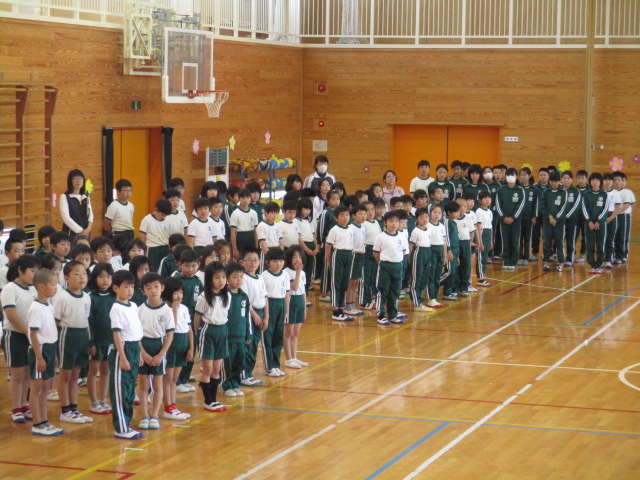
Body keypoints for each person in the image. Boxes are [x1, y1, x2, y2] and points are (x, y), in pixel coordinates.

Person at [53, 260, 93, 425]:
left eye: (84, 273)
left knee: (75, 376)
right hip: (67, 336)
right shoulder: (62, 297)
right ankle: (65, 411)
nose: (82, 277)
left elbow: (87, 320)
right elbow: (55, 323)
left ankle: (74, 408)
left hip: (82, 336)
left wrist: (90, 342)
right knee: (65, 374)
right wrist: (54, 347)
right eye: (77, 274)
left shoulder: (87, 297)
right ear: (67, 278)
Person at [1, 254, 39, 423]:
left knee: (27, 373)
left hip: (29, 336)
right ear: (20, 270)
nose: (34, 275)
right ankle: (16, 408)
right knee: (17, 374)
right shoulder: (10, 288)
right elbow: (11, 315)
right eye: (32, 271)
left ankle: (24, 405)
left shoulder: (33, 290)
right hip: (14, 336)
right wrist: (27, 332)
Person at [28, 268, 64, 436]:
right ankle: (37, 423)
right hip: (40, 349)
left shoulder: (48, 305)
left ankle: (44, 421)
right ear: (41, 287)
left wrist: (54, 354)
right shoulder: (36, 308)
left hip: (49, 348)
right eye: (53, 284)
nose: (56, 288)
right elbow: (33, 334)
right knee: (37, 389)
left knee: (44, 389)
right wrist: (39, 357)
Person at [109, 269, 144, 439]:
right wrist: (122, 357)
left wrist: (140, 353)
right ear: (116, 288)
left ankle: (127, 424)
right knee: (120, 390)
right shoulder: (116, 308)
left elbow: (136, 332)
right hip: (122, 349)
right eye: (125, 287)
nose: (129, 290)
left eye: (131, 287)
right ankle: (121, 428)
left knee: (130, 389)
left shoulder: (133, 306)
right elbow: (117, 334)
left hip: (134, 348)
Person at [137, 273, 174, 430]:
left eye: (156, 287)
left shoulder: (167, 310)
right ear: (143, 291)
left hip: (159, 346)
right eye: (148, 288)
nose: (153, 290)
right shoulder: (139, 309)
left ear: (162, 288)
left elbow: (170, 335)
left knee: (158, 384)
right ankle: (145, 415)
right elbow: (136, 335)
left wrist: (160, 355)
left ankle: (154, 415)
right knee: (144, 383)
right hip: (143, 346)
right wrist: (143, 353)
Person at [194, 261, 230, 412]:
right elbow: (197, 318)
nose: (221, 280)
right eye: (217, 277)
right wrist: (195, 336)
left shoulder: (227, 296)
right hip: (208, 331)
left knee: (216, 369)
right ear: (209, 279)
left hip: (222, 330)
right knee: (207, 369)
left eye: (223, 277)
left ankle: (214, 400)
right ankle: (208, 401)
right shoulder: (203, 297)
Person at [161, 277, 192, 420]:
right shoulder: (165, 309)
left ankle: (173, 406)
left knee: (174, 379)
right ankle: (168, 407)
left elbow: (189, 329)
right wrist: (174, 309)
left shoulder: (184, 308)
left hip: (182, 343)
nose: (179, 296)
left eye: (181, 292)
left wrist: (191, 348)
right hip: (171, 344)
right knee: (167, 379)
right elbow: (171, 327)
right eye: (175, 293)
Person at [87, 263, 116, 415]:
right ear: (95, 278)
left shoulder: (114, 297)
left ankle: (103, 400)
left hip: (110, 341)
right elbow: (89, 322)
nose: (105, 280)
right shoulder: (91, 297)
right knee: (93, 371)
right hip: (96, 341)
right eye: (101, 276)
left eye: (108, 277)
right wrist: (91, 342)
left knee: (106, 371)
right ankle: (94, 402)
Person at [220, 262, 251, 396]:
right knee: (228, 363)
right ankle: (225, 385)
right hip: (228, 336)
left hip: (240, 336)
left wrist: (248, 334)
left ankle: (235, 384)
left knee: (239, 362)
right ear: (227, 278)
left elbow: (247, 316)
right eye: (235, 277)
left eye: (241, 277)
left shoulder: (244, 296)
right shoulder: (223, 295)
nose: (239, 280)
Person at [174, 248, 202, 392]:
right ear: (180, 265)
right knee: (181, 350)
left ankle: (185, 378)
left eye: (193, 266)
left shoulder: (198, 281)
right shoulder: (177, 281)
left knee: (192, 349)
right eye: (187, 266)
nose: (190, 269)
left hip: (193, 318)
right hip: (181, 320)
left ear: (198, 265)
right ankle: (177, 380)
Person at [239, 246, 268, 387]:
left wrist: (266, 317)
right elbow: (245, 300)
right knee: (248, 345)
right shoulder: (243, 279)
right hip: (249, 314)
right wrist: (255, 315)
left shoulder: (260, 278)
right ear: (242, 262)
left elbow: (265, 297)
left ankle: (249, 373)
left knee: (254, 345)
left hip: (260, 312)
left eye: (255, 260)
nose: (253, 263)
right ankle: (244, 374)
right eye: (249, 260)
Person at [373, 210, 407, 325]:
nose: (394, 224)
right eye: (391, 221)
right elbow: (376, 253)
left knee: (395, 291)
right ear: (385, 223)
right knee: (383, 290)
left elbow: (403, 251)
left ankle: (393, 315)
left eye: (396, 221)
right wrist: (384, 261)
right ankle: (381, 315)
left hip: (398, 266)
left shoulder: (401, 236)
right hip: (385, 266)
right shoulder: (381, 237)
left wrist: (397, 261)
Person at [261, 248, 290, 377]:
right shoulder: (264, 276)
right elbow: (264, 296)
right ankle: (269, 367)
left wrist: (287, 310)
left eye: (281, 261)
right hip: (269, 304)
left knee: (278, 337)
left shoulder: (285, 275)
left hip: (281, 304)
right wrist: (266, 315)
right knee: (268, 336)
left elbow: (287, 294)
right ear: (268, 262)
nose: (278, 264)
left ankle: (276, 365)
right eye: (275, 261)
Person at [325, 205, 355, 321]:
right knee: (336, 283)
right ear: (336, 218)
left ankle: (341, 309)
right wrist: (329, 262)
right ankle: (335, 311)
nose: (345, 217)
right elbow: (328, 247)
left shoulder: (351, 229)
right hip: (338, 254)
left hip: (349, 254)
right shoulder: (334, 230)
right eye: (342, 215)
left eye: (347, 215)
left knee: (344, 283)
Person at [495, 168, 525, 271]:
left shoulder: (520, 190)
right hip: (503, 221)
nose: (510, 177)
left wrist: (513, 217)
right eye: (508, 175)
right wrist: (503, 217)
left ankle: (513, 261)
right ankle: (506, 261)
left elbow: (521, 205)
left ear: (516, 176)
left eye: (512, 175)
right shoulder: (501, 190)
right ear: (506, 177)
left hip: (516, 221)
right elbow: (498, 205)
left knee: (515, 240)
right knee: (505, 241)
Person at [283, 246, 308, 369]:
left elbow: (303, 291)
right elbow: (294, 287)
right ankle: (288, 359)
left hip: (300, 302)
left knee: (296, 333)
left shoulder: (303, 273)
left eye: (300, 257)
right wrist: (298, 272)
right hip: (291, 302)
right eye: (294, 257)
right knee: (289, 333)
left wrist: (305, 308)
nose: (298, 259)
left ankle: (294, 357)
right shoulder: (286, 272)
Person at [581, 173, 610, 274]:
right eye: (593, 180)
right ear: (590, 182)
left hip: (600, 224)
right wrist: (589, 221)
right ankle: (592, 264)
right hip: (589, 224)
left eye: (597, 180)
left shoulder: (604, 194)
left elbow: (605, 209)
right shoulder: (586, 194)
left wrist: (598, 221)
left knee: (600, 244)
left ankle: (599, 263)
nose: (595, 182)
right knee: (590, 244)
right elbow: (584, 208)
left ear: (600, 182)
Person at [540, 170, 568, 272]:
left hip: (559, 222)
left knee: (559, 242)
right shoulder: (545, 192)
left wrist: (556, 219)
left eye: (555, 181)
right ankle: (546, 261)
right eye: (552, 181)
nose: (553, 183)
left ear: (559, 181)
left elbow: (564, 207)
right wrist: (550, 217)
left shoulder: (564, 192)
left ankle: (561, 262)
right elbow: (542, 206)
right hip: (547, 221)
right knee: (547, 241)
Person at [316, 190, 340, 300]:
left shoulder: (339, 213)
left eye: (338, 199)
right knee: (326, 267)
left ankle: (330, 291)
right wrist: (320, 243)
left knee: (333, 267)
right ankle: (324, 293)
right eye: (333, 199)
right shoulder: (326, 212)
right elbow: (320, 229)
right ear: (328, 200)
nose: (336, 201)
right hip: (327, 242)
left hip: (337, 243)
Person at [408, 207, 432, 312]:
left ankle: (419, 299)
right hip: (419, 252)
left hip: (428, 251)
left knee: (424, 277)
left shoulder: (429, 230)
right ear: (417, 219)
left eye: (426, 217)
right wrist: (410, 257)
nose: (425, 219)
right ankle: (416, 303)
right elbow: (411, 245)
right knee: (416, 277)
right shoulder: (416, 231)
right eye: (421, 218)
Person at [139, 198, 172, 272]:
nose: (164, 217)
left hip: (165, 247)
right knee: (153, 270)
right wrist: (143, 251)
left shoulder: (168, 220)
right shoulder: (147, 220)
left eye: (165, 215)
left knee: (165, 270)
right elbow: (142, 237)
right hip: (153, 249)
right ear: (156, 209)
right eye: (162, 214)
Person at [345, 204, 367, 316]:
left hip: (361, 255)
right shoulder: (351, 228)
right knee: (351, 282)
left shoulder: (363, 227)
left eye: (364, 213)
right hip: (353, 255)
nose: (363, 216)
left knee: (356, 282)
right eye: (360, 214)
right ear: (353, 215)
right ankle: (348, 306)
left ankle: (353, 305)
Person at [294, 198, 318, 297]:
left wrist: (316, 247)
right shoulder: (296, 221)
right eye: (305, 208)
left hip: (311, 247)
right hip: (303, 248)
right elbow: (299, 238)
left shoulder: (308, 220)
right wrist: (307, 250)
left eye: (309, 209)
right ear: (300, 208)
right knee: (301, 272)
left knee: (309, 272)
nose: (308, 211)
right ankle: (300, 293)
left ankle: (306, 294)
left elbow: (313, 235)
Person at [60, 169, 93, 238]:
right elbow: (66, 217)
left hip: (86, 233)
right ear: (70, 180)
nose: (78, 181)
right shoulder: (64, 196)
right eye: (75, 178)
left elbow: (90, 214)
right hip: (71, 234)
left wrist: (88, 228)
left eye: (80, 178)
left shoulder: (86, 196)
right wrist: (81, 231)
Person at [426, 206, 448, 308]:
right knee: (431, 274)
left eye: (439, 213)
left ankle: (435, 295)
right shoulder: (427, 226)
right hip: (431, 249)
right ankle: (431, 298)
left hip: (440, 250)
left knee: (437, 275)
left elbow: (444, 241)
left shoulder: (442, 226)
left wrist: (445, 255)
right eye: (434, 212)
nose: (437, 214)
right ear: (430, 213)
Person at [230, 188, 259, 260]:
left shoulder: (253, 213)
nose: (245, 200)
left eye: (248, 197)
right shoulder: (235, 213)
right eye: (243, 198)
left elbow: (255, 231)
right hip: (240, 238)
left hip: (251, 237)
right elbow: (233, 233)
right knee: (242, 260)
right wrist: (235, 249)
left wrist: (256, 246)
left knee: (252, 260)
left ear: (250, 198)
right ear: (239, 199)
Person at [454, 198, 474, 297]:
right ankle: (455, 288)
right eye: (460, 206)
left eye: (464, 206)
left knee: (466, 265)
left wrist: (470, 242)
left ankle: (464, 288)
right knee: (456, 265)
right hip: (456, 244)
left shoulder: (468, 219)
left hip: (466, 243)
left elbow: (472, 232)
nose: (462, 208)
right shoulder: (453, 219)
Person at [561, 171, 582, 268]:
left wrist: (566, 216)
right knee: (560, 240)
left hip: (572, 220)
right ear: (561, 179)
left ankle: (570, 259)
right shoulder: (559, 190)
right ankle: (561, 258)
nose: (566, 180)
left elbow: (576, 206)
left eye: (568, 178)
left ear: (571, 180)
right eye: (564, 178)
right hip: (559, 220)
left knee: (570, 240)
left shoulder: (576, 191)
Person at [613, 172, 634, 263]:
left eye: (619, 180)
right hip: (612, 216)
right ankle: (615, 255)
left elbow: (627, 205)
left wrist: (617, 212)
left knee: (622, 236)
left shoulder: (626, 192)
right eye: (615, 180)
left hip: (623, 216)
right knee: (613, 236)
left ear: (622, 181)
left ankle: (622, 255)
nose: (617, 182)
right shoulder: (611, 192)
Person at [602, 173, 622, 270]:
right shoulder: (600, 192)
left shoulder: (615, 193)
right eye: (605, 180)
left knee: (610, 239)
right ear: (602, 182)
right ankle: (600, 259)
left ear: (612, 182)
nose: (607, 182)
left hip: (612, 217)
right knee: (601, 239)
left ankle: (608, 260)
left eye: (609, 180)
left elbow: (617, 208)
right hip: (601, 217)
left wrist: (610, 218)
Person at [441, 202, 461, 301]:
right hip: (451, 250)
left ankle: (447, 292)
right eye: (456, 212)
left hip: (456, 250)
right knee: (449, 272)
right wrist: (448, 251)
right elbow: (447, 237)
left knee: (453, 272)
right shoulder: (447, 222)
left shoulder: (453, 222)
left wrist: (457, 255)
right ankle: (433, 283)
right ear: (449, 212)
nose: (458, 214)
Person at [256, 202, 284, 270]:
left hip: (276, 250)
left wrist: (280, 254)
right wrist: (270, 257)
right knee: (264, 272)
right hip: (266, 252)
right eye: (272, 213)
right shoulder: (261, 225)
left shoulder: (277, 226)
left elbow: (281, 242)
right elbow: (263, 244)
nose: (274, 215)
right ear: (265, 212)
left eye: (276, 213)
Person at [517, 167, 536, 265]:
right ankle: (520, 256)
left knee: (527, 238)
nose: (523, 177)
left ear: (529, 176)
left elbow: (535, 204)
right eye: (521, 175)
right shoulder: (517, 188)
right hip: (518, 218)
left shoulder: (534, 189)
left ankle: (526, 257)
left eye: (525, 175)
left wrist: (534, 216)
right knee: (519, 238)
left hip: (529, 218)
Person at [531, 167, 550, 261]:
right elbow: (532, 203)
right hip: (537, 216)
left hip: (547, 216)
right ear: (538, 176)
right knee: (535, 235)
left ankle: (546, 253)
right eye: (541, 175)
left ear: (548, 176)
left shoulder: (551, 187)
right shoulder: (534, 187)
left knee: (546, 235)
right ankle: (535, 253)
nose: (543, 177)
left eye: (544, 175)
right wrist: (533, 216)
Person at [475, 191, 493, 287]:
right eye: (485, 198)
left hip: (488, 234)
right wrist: (480, 242)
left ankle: (482, 276)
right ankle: (480, 279)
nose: (487, 200)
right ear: (480, 200)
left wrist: (491, 241)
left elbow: (490, 227)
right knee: (480, 257)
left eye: (489, 198)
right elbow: (478, 227)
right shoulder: (479, 211)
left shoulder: (489, 212)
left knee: (485, 257)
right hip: (482, 234)